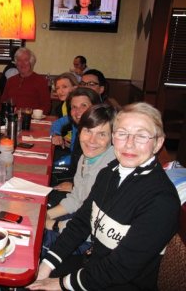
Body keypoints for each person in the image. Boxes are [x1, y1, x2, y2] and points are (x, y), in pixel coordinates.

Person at [28, 102, 180, 291]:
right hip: (92, 267)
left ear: (158, 143)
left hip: (121, 284)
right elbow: (81, 223)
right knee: (30, 273)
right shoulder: (109, 173)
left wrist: (61, 283)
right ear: (114, 138)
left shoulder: (161, 200)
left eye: (141, 136)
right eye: (122, 133)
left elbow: (120, 268)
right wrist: (46, 266)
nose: (129, 143)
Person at [42, 104, 116, 258]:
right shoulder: (86, 157)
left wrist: (54, 225)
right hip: (77, 221)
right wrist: (46, 215)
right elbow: (76, 198)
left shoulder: (109, 171)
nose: (91, 140)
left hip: (91, 241)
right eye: (88, 131)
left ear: (113, 138)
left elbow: (93, 224)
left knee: (32, 243)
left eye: (102, 134)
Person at [50, 88, 101, 190]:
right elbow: (57, 123)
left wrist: (73, 187)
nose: (78, 111)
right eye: (74, 107)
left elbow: (100, 179)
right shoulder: (78, 125)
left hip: (82, 188)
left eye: (84, 105)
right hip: (74, 175)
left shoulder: (99, 137)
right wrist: (56, 134)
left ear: (96, 107)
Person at [1, 47, 51, 115]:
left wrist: (29, 112)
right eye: (19, 60)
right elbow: (2, 102)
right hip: (12, 119)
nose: (22, 64)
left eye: (26, 60)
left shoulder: (40, 81)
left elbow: (46, 106)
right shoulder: (11, 81)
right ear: (16, 63)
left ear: (31, 62)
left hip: (32, 119)